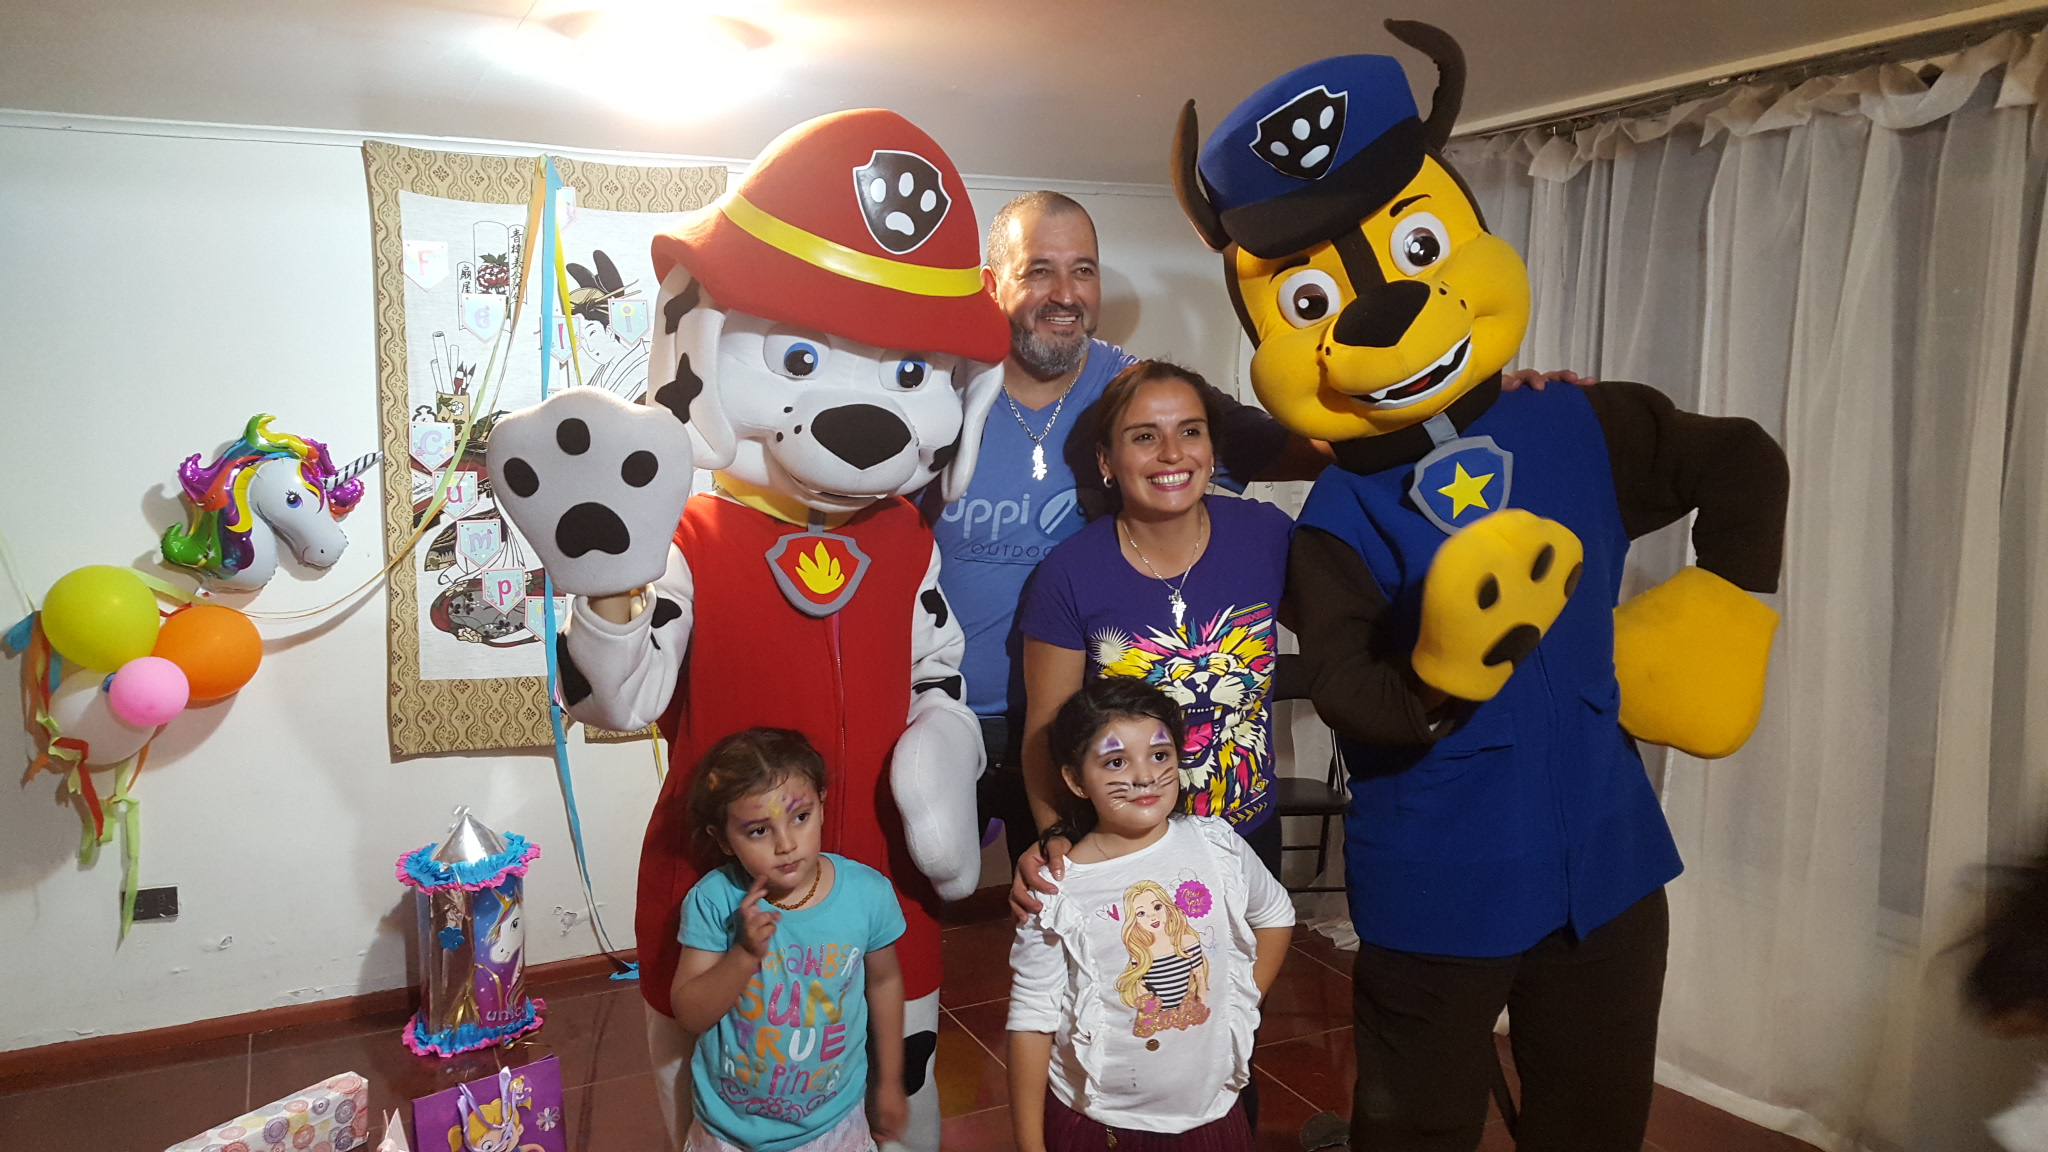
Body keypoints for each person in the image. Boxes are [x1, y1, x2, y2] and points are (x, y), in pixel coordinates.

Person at [935, 191, 1326, 865]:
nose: (1066, 294)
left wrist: (1465, 404)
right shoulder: (933, 388)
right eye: (1039, 271)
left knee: (1071, 897)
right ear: (991, 284)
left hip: (1081, 732)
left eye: (1083, 270)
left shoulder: (1134, 390)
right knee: (905, 907)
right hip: (940, 716)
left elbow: (1308, 448)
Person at [1008, 676, 1295, 1152]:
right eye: (1116, 761)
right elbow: (1031, 1020)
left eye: (1160, 755)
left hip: (1212, 1114)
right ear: (1075, 780)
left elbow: (1275, 913)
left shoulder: (1216, 845)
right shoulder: (1057, 888)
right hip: (1102, 1124)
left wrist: (1243, 999)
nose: (1144, 776)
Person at [670, 728, 909, 1152]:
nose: (786, 845)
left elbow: (884, 982)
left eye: (800, 817)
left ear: (822, 804)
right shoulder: (714, 900)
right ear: (723, 839)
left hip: (834, 1125)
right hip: (728, 1131)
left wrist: (889, 1082)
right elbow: (689, 1014)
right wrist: (744, 954)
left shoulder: (867, 894)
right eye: (758, 831)